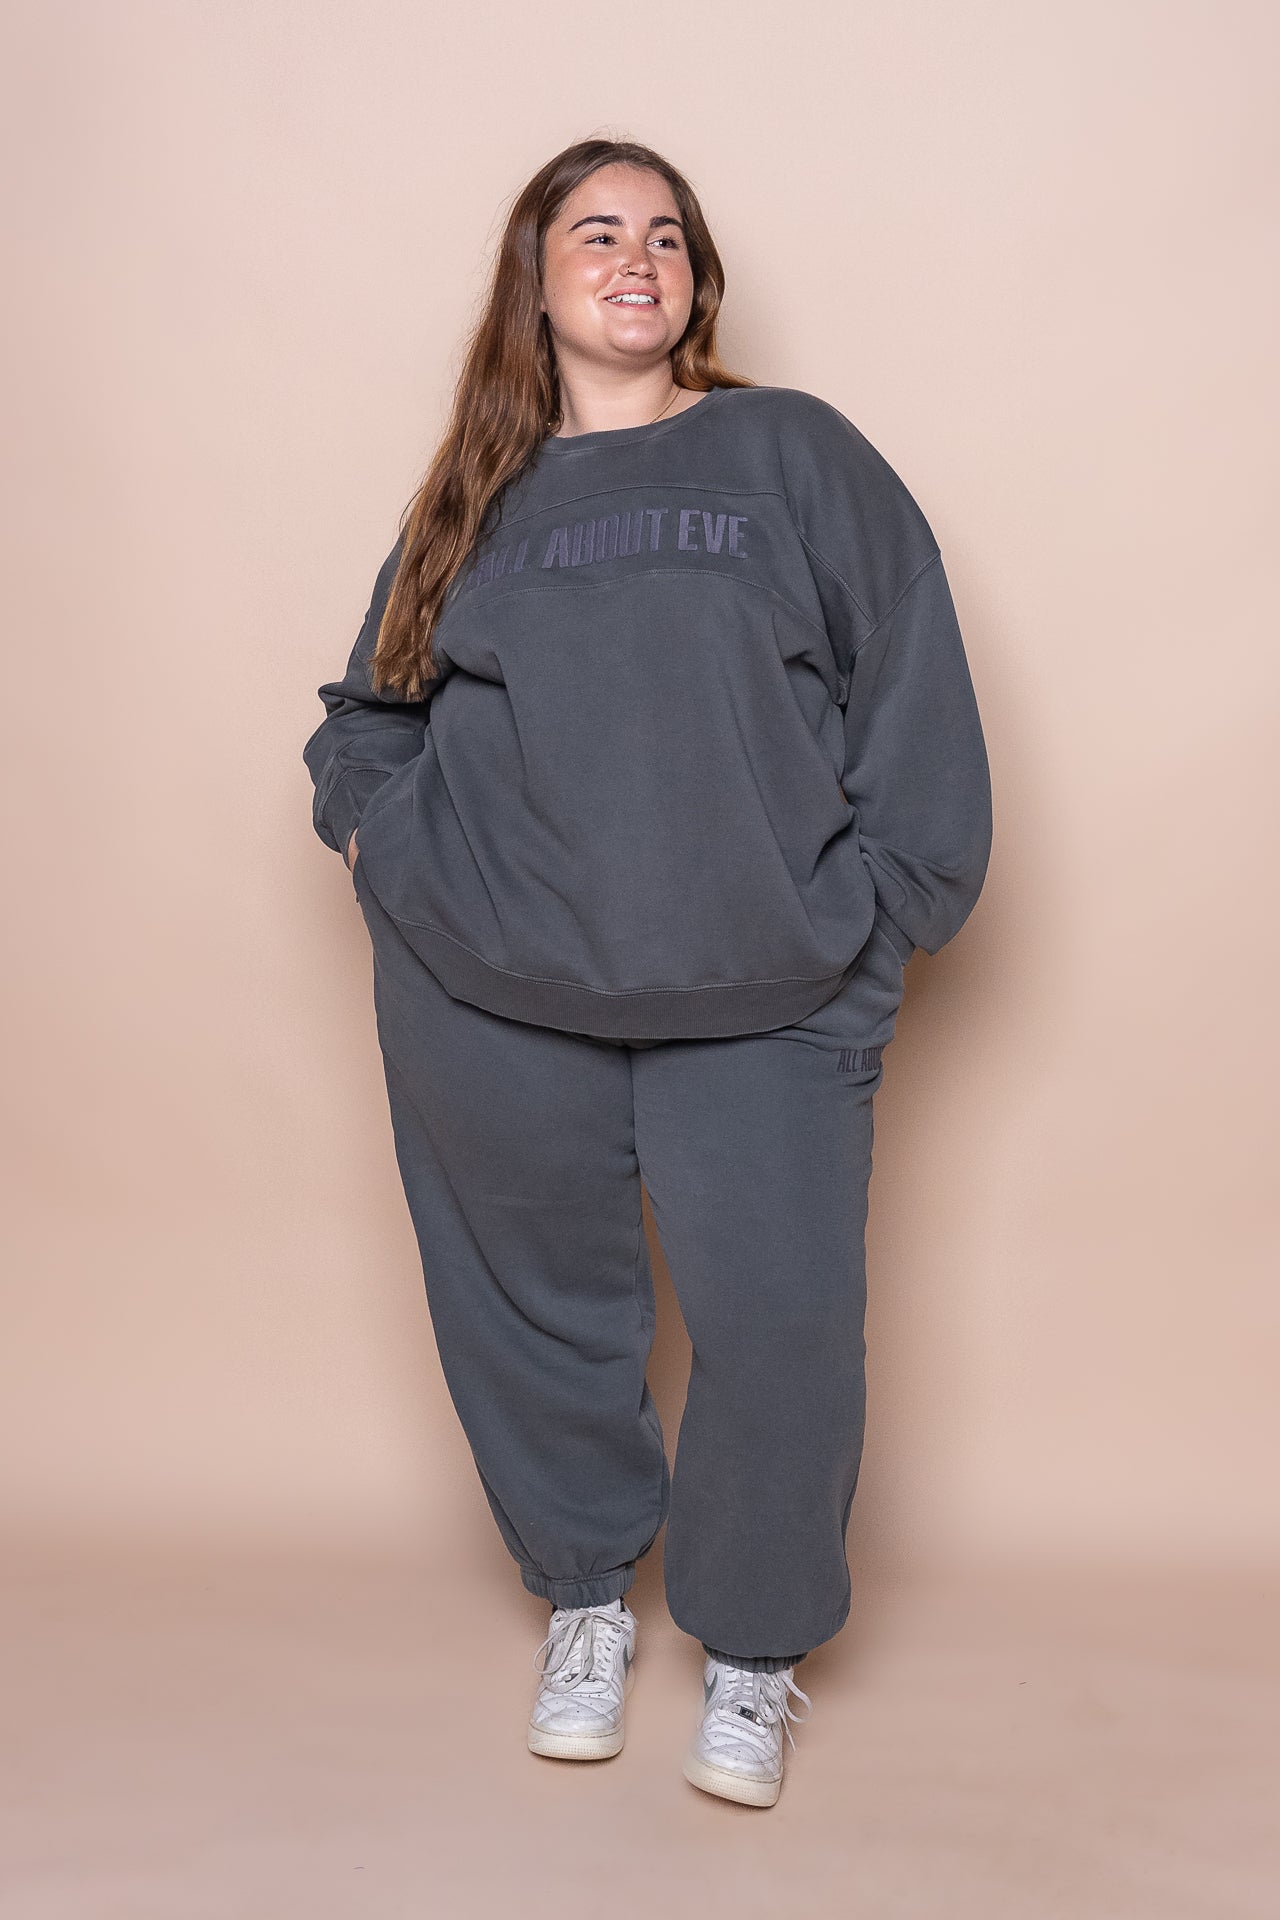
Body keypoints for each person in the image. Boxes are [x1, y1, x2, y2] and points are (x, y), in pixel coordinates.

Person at [302, 137, 992, 1809]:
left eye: (666, 235)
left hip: (769, 989)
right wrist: (392, 853)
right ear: (532, 281)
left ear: (700, 280)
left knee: (782, 1330)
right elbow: (368, 719)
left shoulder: (791, 454)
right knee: (533, 1317)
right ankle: (587, 1603)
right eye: (597, 232)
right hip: (491, 990)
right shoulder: (473, 498)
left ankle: (751, 1653)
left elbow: (912, 680)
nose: (637, 258)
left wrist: (879, 918)